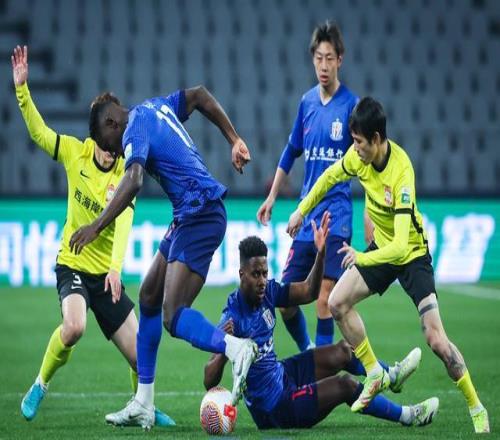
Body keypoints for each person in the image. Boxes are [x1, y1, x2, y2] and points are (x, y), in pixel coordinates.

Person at [287, 97, 489, 433]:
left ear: (377, 139)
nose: (355, 148)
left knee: (436, 340)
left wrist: (362, 256)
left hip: (410, 253)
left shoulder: (401, 173)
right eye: (353, 141)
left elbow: (399, 247)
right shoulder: (357, 158)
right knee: (337, 302)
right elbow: (328, 177)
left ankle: (475, 405)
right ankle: (374, 371)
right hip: (382, 247)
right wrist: (301, 210)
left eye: (359, 142)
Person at [68, 77, 257, 430]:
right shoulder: (155, 106)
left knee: (172, 315)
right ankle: (144, 403)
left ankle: (236, 348)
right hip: (188, 214)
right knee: (148, 296)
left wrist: (95, 227)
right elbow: (199, 95)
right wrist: (233, 139)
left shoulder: (132, 129)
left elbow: (134, 180)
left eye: (105, 143)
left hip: (201, 212)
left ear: (111, 122)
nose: (111, 152)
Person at [11, 45, 173, 426]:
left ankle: (144, 406)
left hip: (105, 276)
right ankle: (40, 384)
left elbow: (124, 224)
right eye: (105, 145)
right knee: (74, 327)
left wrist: (115, 269)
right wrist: (22, 90)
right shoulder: (75, 153)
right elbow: (39, 133)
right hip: (72, 264)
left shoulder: (127, 172)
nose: (109, 152)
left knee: (141, 357)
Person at [204, 231, 438, 430]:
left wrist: (321, 254)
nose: (262, 280)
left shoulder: (269, 292)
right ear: (242, 274)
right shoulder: (232, 316)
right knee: (346, 385)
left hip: (281, 374)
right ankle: (408, 415)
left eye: (265, 273)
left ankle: (391, 376)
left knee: (344, 351)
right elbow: (209, 379)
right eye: (256, 274)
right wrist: (227, 347)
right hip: (274, 409)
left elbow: (309, 291)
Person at [257, 21, 363, 350]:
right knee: (286, 300)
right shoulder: (306, 103)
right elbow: (291, 151)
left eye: (330, 58)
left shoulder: (352, 105)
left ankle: (322, 369)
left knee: (325, 298)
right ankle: (311, 352)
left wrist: (372, 211)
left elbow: (365, 160)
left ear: (340, 59)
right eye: (319, 58)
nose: (323, 65)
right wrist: (272, 196)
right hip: (307, 214)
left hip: (337, 215)